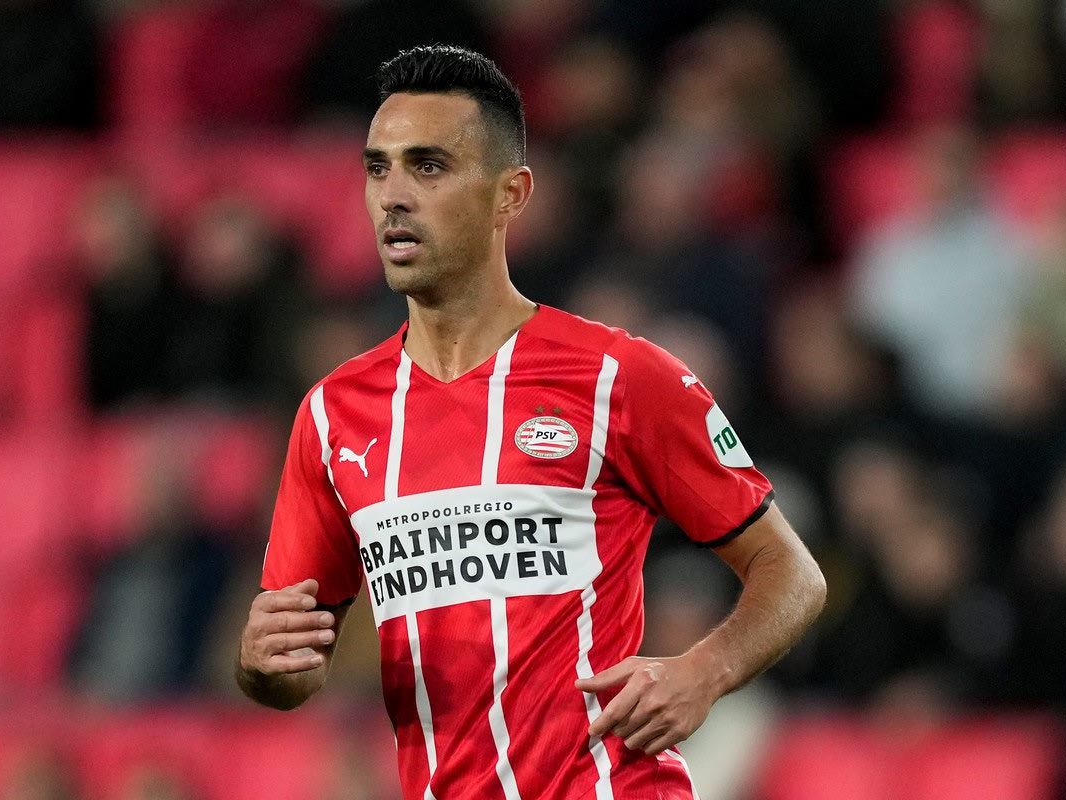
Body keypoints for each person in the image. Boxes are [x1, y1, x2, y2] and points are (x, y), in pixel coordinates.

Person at [236, 44, 826, 799]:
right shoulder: (332, 415)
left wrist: (703, 672)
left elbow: (793, 573)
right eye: (378, 169)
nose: (393, 196)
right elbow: (291, 666)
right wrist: (261, 663)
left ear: (509, 195)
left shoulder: (618, 376)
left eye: (428, 166)